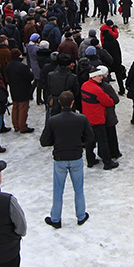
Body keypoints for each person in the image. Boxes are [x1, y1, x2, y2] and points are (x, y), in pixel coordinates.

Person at [40, 91, 94, 228]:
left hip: (60, 158)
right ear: (72, 103)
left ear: (59, 103)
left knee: (58, 190)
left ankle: (56, 218)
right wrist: (80, 142)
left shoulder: (53, 121)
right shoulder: (81, 119)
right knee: (79, 189)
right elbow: (90, 137)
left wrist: (56, 141)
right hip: (76, 156)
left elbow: (44, 141)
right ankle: (81, 215)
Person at [80, 66, 118, 169]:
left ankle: (90, 160)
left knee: (90, 141)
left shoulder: (84, 85)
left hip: (87, 118)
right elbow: (109, 102)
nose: (102, 78)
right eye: (99, 76)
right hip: (98, 119)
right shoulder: (97, 90)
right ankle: (107, 162)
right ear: (93, 77)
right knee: (103, 141)